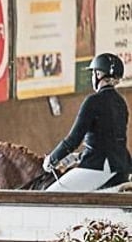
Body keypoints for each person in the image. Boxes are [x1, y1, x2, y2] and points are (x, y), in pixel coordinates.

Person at [43, 52, 132, 191]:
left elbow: (73, 140)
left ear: (98, 75)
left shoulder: (93, 101)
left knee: (48, 197)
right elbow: (109, 142)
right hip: (123, 168)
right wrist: (78, 157)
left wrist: (52, 159)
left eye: (93, 74)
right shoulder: (121, 103)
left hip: (100, 167)